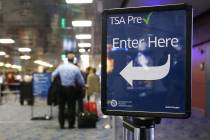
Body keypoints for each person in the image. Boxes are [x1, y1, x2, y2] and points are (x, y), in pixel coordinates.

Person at [52, 52, 85, 129]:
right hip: (71, 89)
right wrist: (83, 85)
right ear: (73, 60)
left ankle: (62, 124)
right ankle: (71, 124)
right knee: (71, 107)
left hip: (61, 89)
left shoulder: (61, 67)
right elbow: (81, 81)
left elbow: (53, 75)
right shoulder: (76, 68)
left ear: (67, 59)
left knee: (61, 107)